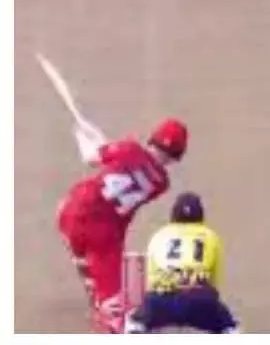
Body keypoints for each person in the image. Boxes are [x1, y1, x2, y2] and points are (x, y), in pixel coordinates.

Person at [56, 118, 189, 333]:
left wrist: (83, 135)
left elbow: (91, 158)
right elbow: (131, 171)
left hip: (72, 213)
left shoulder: (128, 148)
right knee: (114, 307)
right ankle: (109, 320)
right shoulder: (161, 184)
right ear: (175, 157)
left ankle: (91, 284)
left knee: (83, 256)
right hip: (104, 234)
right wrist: (100, 141)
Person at [124, 192, 239, 334]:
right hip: (200, 300)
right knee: (231, 328)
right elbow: (214, 282)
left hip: (162, 301)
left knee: (133, 325)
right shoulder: (211, 237)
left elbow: (151, 280)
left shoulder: (159, 235)